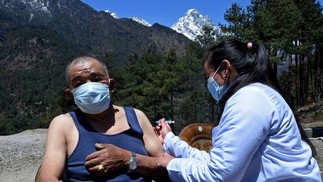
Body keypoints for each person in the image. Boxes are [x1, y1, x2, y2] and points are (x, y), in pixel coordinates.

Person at [85, 39, 322, 181]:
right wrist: (170, 139)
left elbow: (218, 176)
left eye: (208, 76)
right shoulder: (255, 96)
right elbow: (216, 162)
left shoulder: (248, 101)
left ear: (225, 69)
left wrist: (162, 163)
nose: (208, 84)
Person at [39, 56, 167, 181]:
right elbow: (47, 178)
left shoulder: (137, 117)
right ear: (70, 95)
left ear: (111, 86)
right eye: (79, 83)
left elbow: (165, 167)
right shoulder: (63, 124)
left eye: (96, 79)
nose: (89, 88)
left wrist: (128, 159)